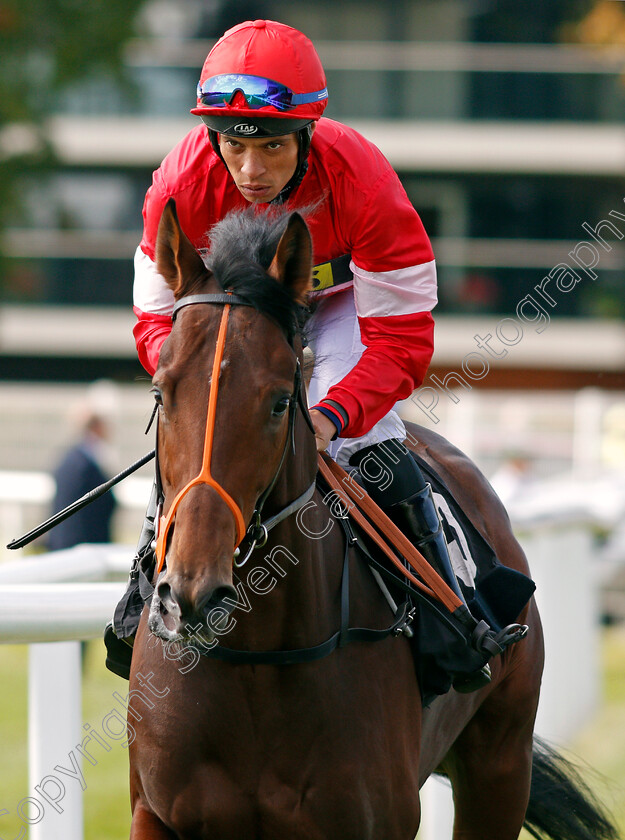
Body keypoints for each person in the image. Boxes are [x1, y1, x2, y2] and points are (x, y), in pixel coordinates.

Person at [104, 19, 478, 682]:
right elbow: (155, 327)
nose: (251, 171)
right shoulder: (178, 185)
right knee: (198, 441)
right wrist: (194, 384)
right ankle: (143, 601)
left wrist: (331, 417)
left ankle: (452, 612)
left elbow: (401, 341)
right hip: (234, 316)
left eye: (273, 147)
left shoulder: (362, 180)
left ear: (306, 133)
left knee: (366, 446)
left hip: (342, 310)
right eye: (233, 147)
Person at [49, 410, 117, 551]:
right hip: (82, 546)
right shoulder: (86, 465)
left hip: (63, 545)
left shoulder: (68, 458)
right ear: (96, 427)